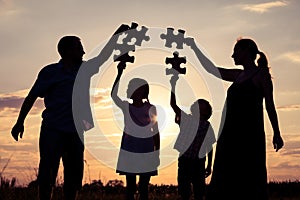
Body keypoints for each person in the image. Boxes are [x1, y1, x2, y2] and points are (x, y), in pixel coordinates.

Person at [10, 24, 129, 200]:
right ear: (67, 51)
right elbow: (32, 96)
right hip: (53, 130)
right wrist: (20, 122)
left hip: (75, 132)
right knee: (47, 176)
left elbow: (103, 56)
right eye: (79, 48)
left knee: (73, 179)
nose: (83, 52)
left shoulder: (84, 70)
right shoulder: (50, 72)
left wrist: (117, 35)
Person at [185, 37, 284, 199]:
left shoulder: (262, 75)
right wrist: (194, 48)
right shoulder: (238, 75)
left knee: (249, 174)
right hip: (230, 135)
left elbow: (270, 106)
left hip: (249, 135)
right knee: (226, 174)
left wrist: (277, 132)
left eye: (235, 51)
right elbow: (211, 69)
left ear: (246, 51)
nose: (232, 56)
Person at [111, 63, 160, 200]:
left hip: (147, 149)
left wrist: (157, 153)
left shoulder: (151, 108)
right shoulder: (126, 106)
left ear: (141, 91)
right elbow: (114, 95)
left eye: (131, 87)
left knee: (144, 186)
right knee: (131, 187)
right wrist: (119, 72)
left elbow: (155, 132)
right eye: (129, 87)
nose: (129, 89)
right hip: (130, 149)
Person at [169, 75, 215, 200]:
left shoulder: (207, 126)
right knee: (184, 192)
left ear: (206, 112)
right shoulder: (186, 119)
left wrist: (209, 165)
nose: (197, 104)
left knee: (199, 192)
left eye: (201, 104)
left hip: (199, 162)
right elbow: (173, 104)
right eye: (197, 103)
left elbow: (209, 147)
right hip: (184, 160)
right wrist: (173, 85)